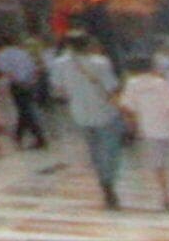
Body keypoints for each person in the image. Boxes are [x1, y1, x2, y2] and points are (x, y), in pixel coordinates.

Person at [121, 48, 169, 215]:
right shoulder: (161, 83)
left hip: (149, 131)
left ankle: (166, 197)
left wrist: (133, 127)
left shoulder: (131, 85)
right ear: (151, 67)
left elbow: (127, 108)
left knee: (158, 167)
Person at [50, 32, 124, 208]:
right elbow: (112, 87)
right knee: (110, 151)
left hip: (80, 114)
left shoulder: (59, 64)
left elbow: (58, 90)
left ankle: (103, 181)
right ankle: (108, 182)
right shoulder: (100, 63)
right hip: (105, 113)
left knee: (94, 151)